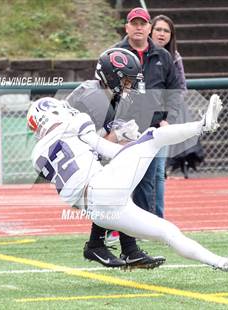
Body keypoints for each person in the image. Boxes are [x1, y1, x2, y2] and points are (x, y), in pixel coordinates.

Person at [28, 96, 228, 273]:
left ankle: (222, 263)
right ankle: (204, 125)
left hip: (98, 210)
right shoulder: (74, 122)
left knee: (167, 231)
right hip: (105, 188)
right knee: (153, 136)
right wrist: (129, 139)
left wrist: (129, 145)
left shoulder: (38, 154)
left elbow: (93, 160)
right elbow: (109, 150)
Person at [66, 48, 165, 269]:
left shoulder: (106, 93)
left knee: (118, 183)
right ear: (112, 77)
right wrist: (121, 136)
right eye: (127, 81)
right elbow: (95, 145)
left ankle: (124, 249)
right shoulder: (95, 98)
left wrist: (125, 139)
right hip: (70, 159)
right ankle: (103, 246)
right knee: (111, 188)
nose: (130, 86)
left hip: (81, 152)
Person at [114, 8, 183, 221]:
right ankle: (116, 226)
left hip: (153, 129)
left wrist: (168, 120)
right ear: (127, 27)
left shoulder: (163, 56)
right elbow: (104, 91)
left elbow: (175, 91)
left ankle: (145, 225)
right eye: (134, 23)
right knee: (121, 179)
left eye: (142, 24)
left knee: (149, 179)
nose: (138, 27)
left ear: (148, 28)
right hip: (123, 129)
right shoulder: (115, 54)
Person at [150, 14, 187, 218]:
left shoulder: (174, 57)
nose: (162, 34)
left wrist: (168, 119)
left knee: (158, 173)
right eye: (158, 29)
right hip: (136, 122)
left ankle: (158, 220)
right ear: (150, 30)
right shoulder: (139, 54)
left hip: (162, 123)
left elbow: (180, 89)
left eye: (166, 31)